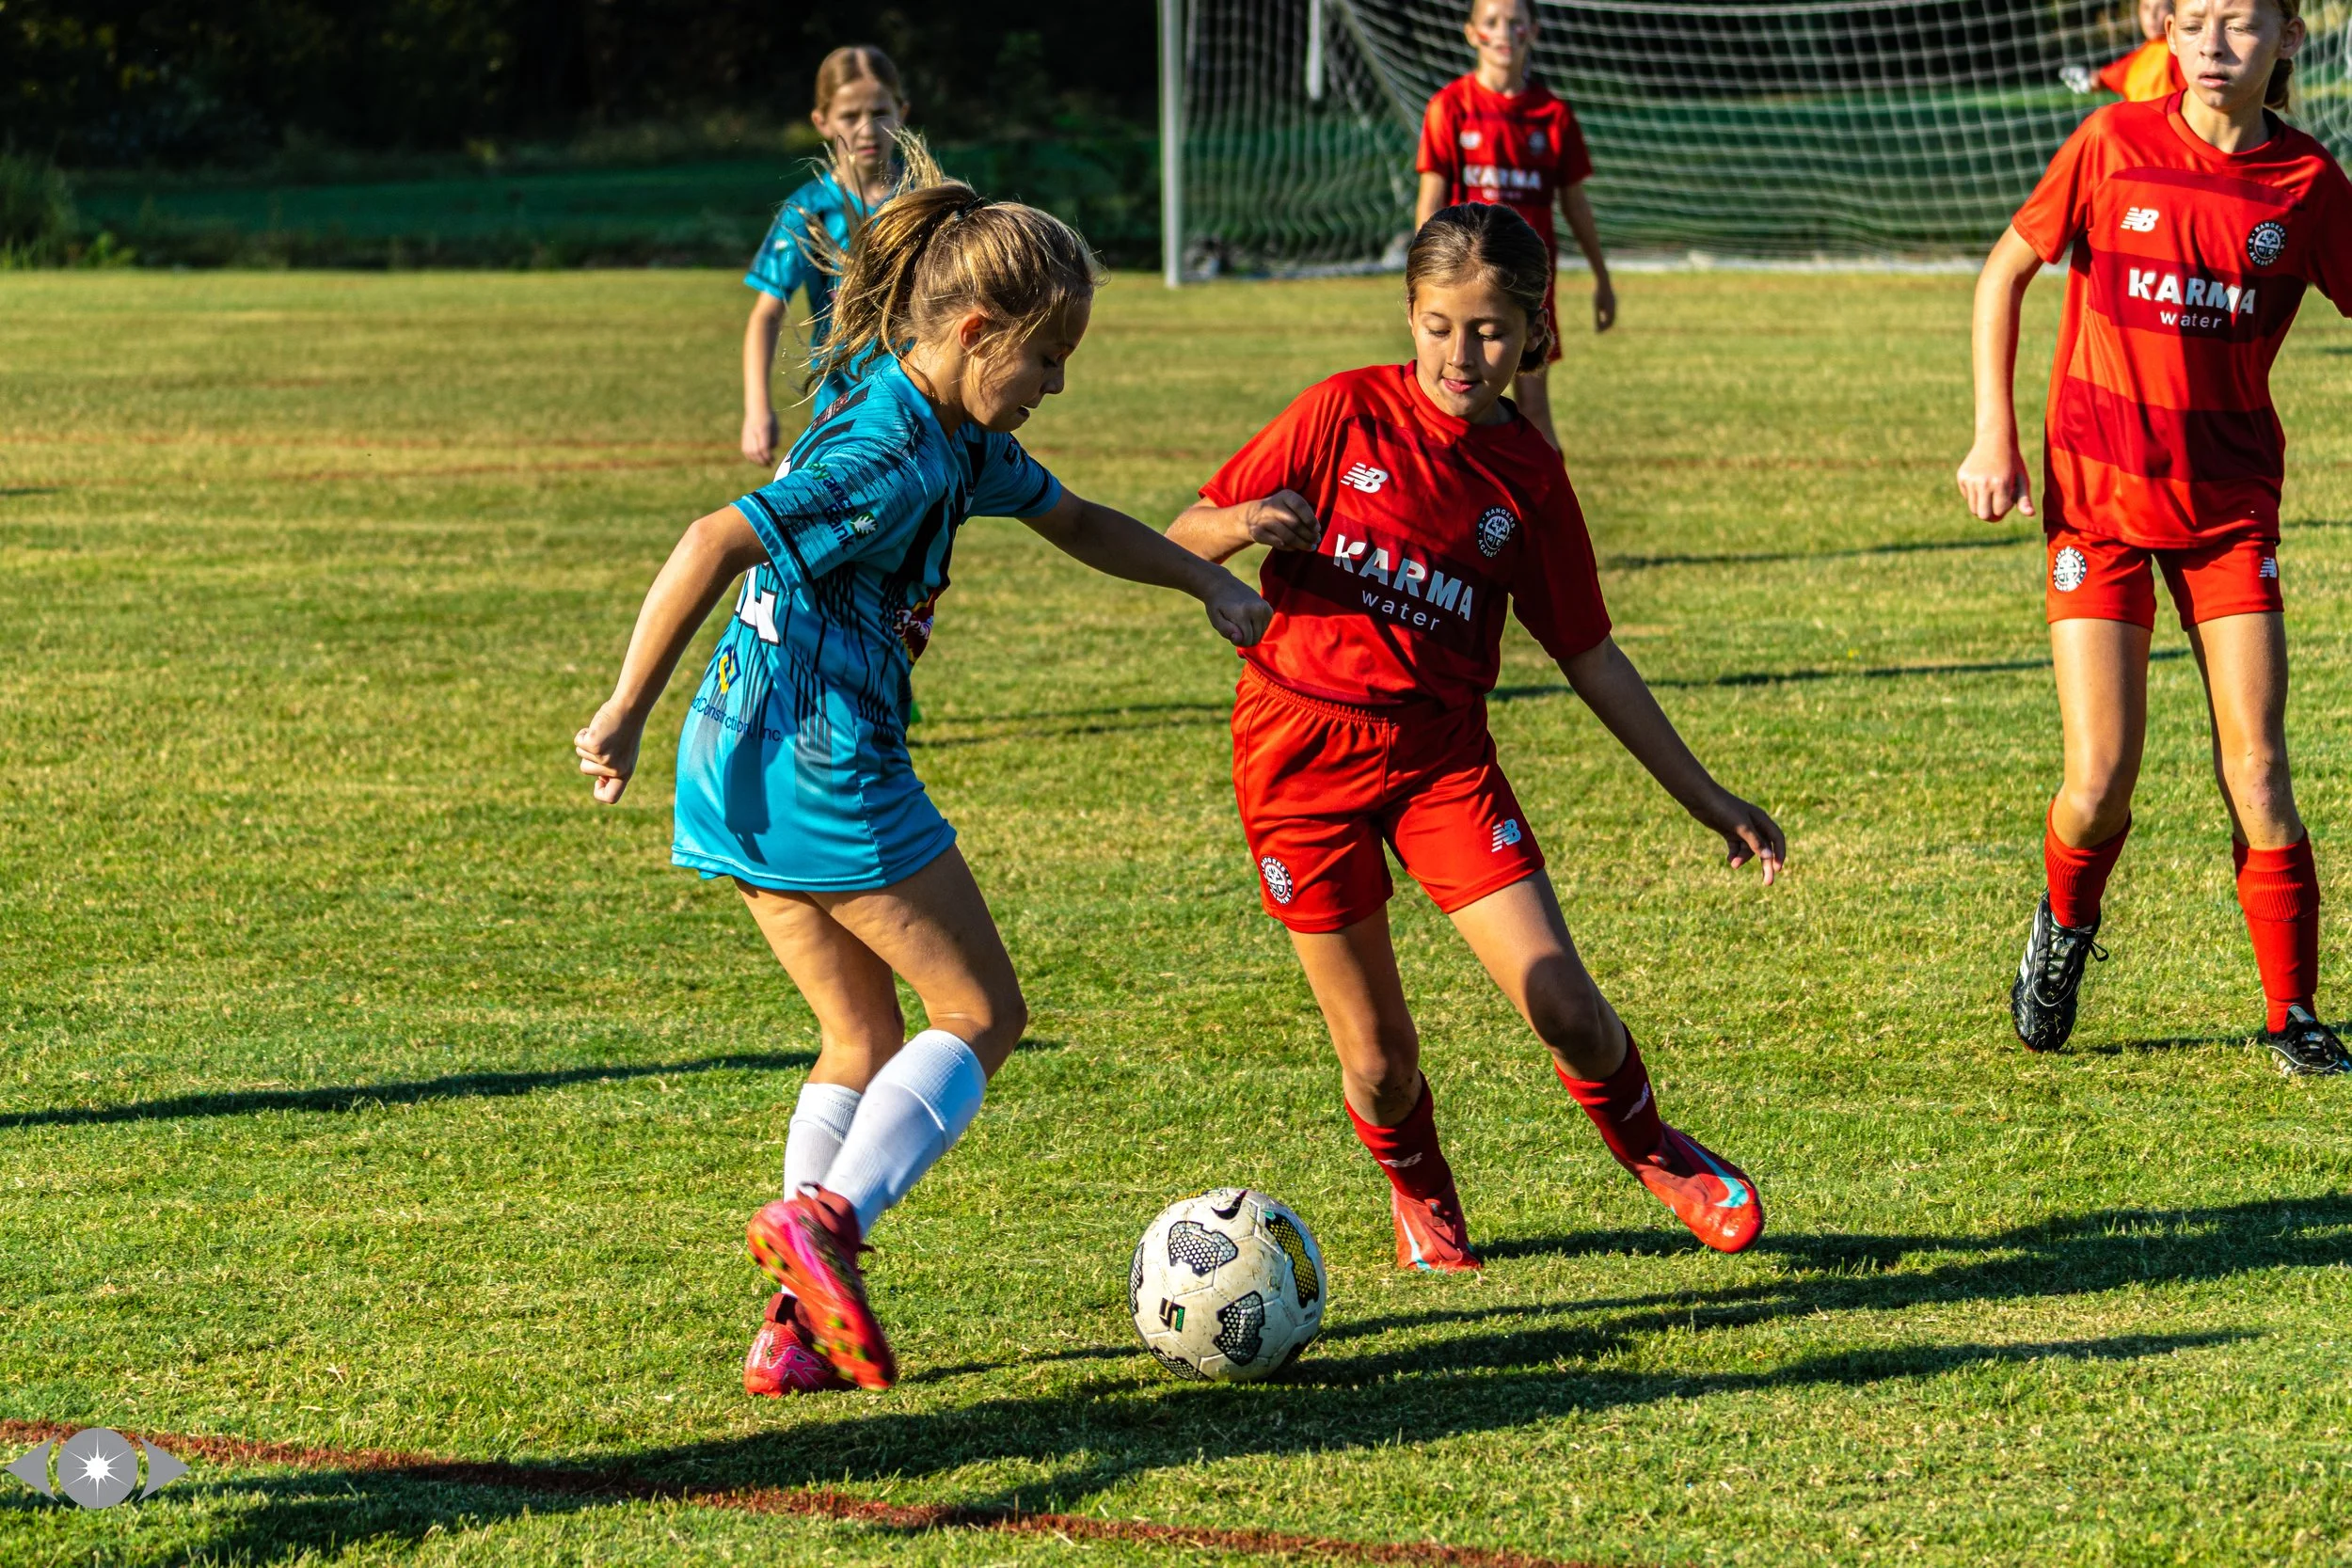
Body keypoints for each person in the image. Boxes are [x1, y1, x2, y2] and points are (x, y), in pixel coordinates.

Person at [576, 144, 1275, 1393]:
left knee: (857, 1034)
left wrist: (1206, 578)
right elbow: (713, 535)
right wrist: (621, 702)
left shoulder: (952, 432)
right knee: (982, 1013)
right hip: (820, 763)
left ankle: (795, 1327)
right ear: (972, 328)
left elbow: (1078, 520)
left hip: (732, 758)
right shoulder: (893, 454)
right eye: (1047, 357)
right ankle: (823, 1229)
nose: (1057, 384)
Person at [1168, 202, 1783, 1273]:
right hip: (1295, 755)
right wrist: (1240, 528)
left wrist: (1709, 796)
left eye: (1491, 330)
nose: (1463, 354)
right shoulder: (1339, 412)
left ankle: (1657, 1153)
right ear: (1410, 314)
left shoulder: (1529, 481)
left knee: (1566, 1003)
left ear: (1532, 328)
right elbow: (1182, 533)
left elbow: (1591, 656)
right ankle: (1420, 1188)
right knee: (1378, 1060)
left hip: (1439, 762)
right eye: (1441, 325)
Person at [1958, 0, 2349, 1074]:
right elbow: (2002, 273)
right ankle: (2063, 928)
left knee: (2261, 769)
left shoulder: (2307, 186)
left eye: (2238, 25)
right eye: (2193, 23)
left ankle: (2294, 1015)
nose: (2213, 49)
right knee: (2100, 778)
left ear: (2287, 39)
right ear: (2161, 31)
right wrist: (1997, 437)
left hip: (2228, 513)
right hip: (2099, 508)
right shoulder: (2111, 144)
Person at [1414, 0, 1613, 451]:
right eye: (1491, 22)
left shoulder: (1553, 116)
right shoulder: (1450, 108)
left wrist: (1602, 278)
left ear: (1533, 32)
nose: (1504, 33)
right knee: (1456, 405)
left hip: (1527, 285)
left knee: (1534, 406)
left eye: (1515, 23)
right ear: (1472, 33)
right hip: (1466, 283)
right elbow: (1431, 200)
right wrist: (1425, 277)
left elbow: (1577, 206)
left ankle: (1547, 515)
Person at [739, 45, 906, 467]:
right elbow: (766, 314)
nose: (868, 130)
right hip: (842, 412)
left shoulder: (929, 200)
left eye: (880, 112)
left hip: (923, 406)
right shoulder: (809, 210)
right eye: (850, 117)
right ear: (822, 121)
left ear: (901, 112)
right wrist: (758, 410)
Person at [2072, 0, 2188, 103]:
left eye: (2160, 7)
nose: (2152, 15)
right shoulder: (2143, 54)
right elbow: (2118, 73)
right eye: (2146, 7)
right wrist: (2090, 79)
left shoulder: (2179, 52)